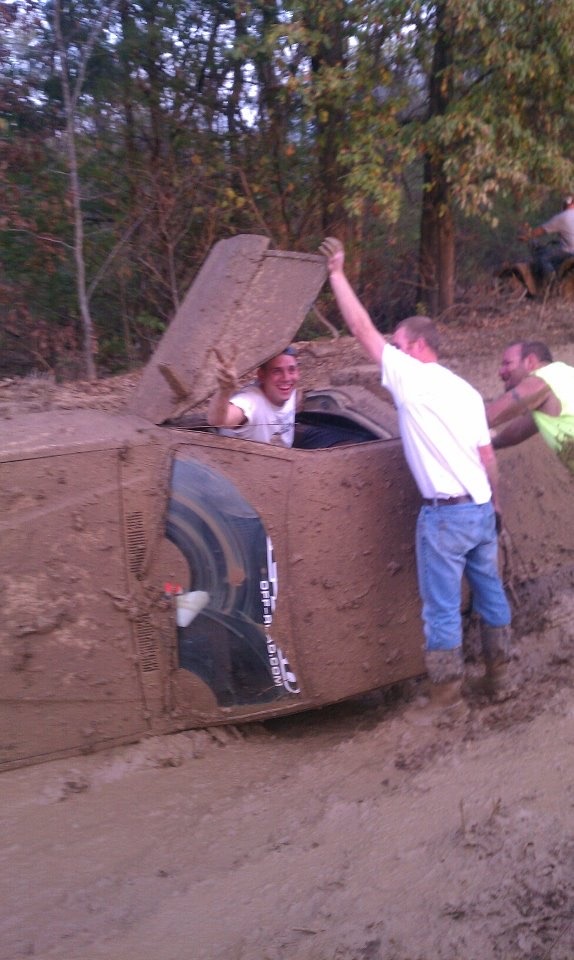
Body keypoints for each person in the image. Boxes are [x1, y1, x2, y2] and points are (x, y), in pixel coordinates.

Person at [318, 237, 512, 711]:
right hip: (481, 509)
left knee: (441, 608)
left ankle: (447, 697)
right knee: (490, 591)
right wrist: (496, 504)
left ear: (418, 346)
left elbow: (362, 329)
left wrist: (338, 275)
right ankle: (501, 675)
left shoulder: (413, 378)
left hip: (445, 517)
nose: (392, 351)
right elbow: (487, 455)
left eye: (398, 344)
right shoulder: (465, 390)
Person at [487, 340, 574, 474]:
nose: (500, 371)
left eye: (507, 363)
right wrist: (489, 444)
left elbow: (493, 414)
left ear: (530, 362)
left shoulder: (542, 379)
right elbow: (519, 431)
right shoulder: (561, 379)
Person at [207, 346, 300, 447]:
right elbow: (218, 420)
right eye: (277, 371)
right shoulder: (251, 401)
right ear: (261, 376)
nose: (286, 378)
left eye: (292, 370)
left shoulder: (289, 390)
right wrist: (224, 390)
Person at [520, 195, 574, 282]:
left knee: (543, 257)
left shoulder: (562, 217)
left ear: (566, 203)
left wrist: (527, 236)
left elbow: (541, 230)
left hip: (569, 252)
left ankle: (551, 283)